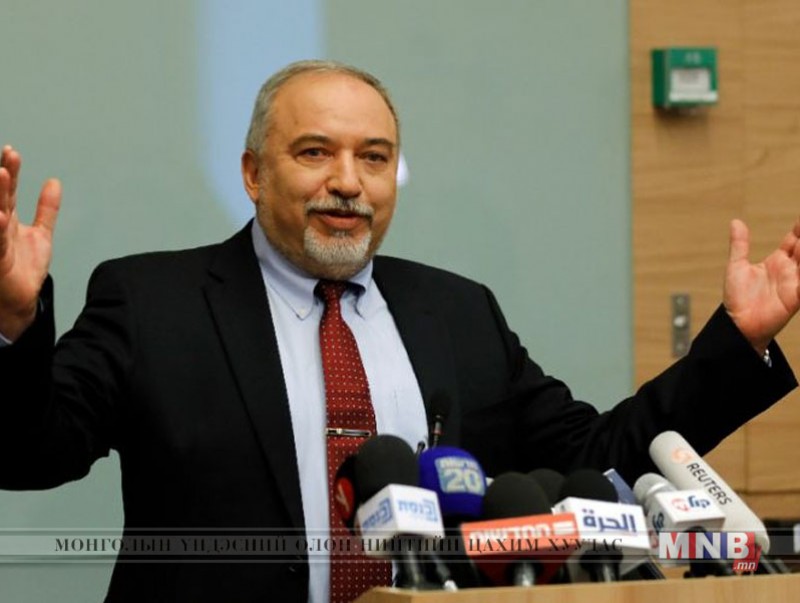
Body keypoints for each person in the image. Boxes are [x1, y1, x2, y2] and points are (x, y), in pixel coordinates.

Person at [1, 59, 799, 602]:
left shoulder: (457, 311)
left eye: (375, 158)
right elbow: (31, 451)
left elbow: (595, 462)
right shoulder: (153, 301)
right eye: (315, 152)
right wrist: (11, 323)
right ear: (253, 173)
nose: (348, 182)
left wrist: (736, 344)